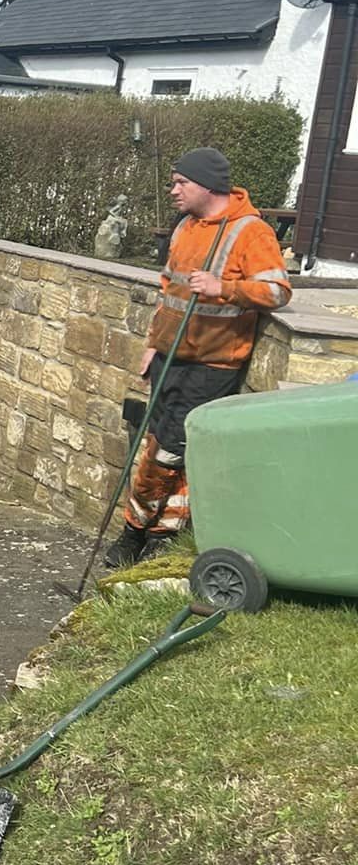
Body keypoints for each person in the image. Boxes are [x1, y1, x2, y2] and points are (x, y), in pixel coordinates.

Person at [105, 146, 290, 567]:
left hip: (214, 361)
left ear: (207, 185)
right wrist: (154, 341)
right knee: (165, 447)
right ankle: (161, 537)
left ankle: (132, 534)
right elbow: (169, 289)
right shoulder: (185, 227)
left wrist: (225, 287)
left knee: (169, 449)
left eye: (181, 182)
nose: (174, 190)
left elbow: (278, 291)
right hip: (170, 356)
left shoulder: (250, 231)